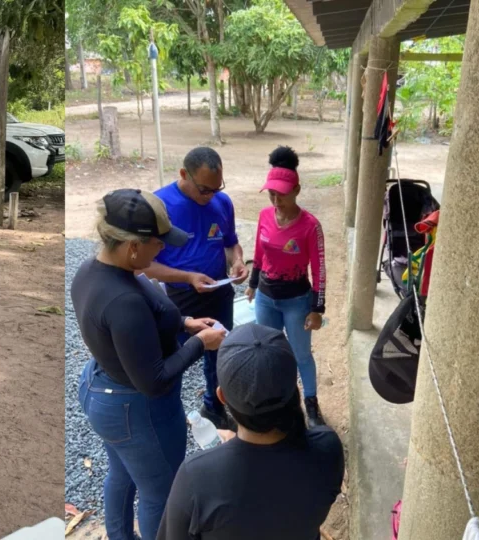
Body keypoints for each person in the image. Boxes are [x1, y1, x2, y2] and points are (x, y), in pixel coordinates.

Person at [72, 188, 228, 540]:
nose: (164, 250)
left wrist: (185, 322)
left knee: (122, 475)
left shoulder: (92, 271)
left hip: (102, 388)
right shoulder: (123, 301)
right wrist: (199, 343)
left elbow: (142, 318)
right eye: (158, 244)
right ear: (131, 247)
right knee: (161, 493)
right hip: (135, 408)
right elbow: (154, 381)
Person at [156, 324, 344, 540]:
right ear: (295, 388)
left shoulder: (197, 477)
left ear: (222, 396)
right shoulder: (328, 448)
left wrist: (222, 457)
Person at [143, 147, 248, 431]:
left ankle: (214, 407)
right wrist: (188, 277)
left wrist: (237, 260)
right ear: (183, 175)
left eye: (217, 188)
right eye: (204, 189)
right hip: (177, 299)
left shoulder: (222, 202)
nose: (210, 196)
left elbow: (230, 242)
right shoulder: (159, 205)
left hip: (219, 293)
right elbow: (144, 264)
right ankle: (167, 416)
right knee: (173, 360)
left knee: (220, 354)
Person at [246, 146, 327, 427]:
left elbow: (319, 271)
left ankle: (311, 404)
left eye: (282, 193)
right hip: (266, 298)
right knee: (267, 351)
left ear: (297, 190)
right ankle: (277, 400)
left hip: (296, 300)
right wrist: (253, 284)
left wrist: (317, 309)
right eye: (271, 194)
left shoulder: (310, 226)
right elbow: (259, 252)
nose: (277, 200)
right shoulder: (264, 216)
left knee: (301, 354)